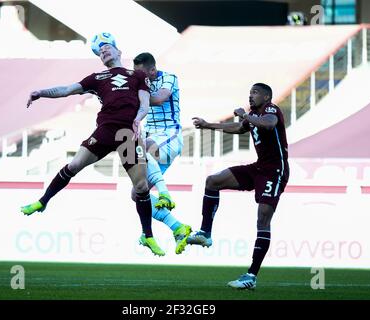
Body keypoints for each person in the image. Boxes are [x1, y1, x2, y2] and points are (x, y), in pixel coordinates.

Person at [20, 40, 165, 256]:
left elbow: (145, 104)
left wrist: (137, 119)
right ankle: (42, 202)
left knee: (142, 187)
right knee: (75, 164)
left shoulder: (137, 76)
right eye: (101, 51)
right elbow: (66, 90)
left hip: (127, 133)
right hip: (106, 130)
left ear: (119, 51)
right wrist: (41, 92)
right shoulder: (96, 78)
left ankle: (148, 236)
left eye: (108, 48)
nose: (104, 51)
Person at [188, 83, 289, 289]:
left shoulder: (271, 109)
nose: (250, 96)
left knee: (262, 219)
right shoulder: (252, 115)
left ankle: (251, 275)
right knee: (213, 181)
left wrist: (244, 115)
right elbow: (238, 128)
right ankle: (205, 233)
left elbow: (269, 124)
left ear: (267, 96)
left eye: (255, 92)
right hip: (258, 168)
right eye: (249, 92)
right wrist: (208, 125)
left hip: (275, 171)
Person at [132, 52, 191, 255]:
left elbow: (159, 98)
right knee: (138, 194)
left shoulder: (169, 78)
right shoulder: (140, 81)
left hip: (170, 135)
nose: (138, 77)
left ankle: (165, 194)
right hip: (154, 142)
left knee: (143, 146)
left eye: (141, 73)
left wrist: (136, 96)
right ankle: (179, 228)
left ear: (152, 70)